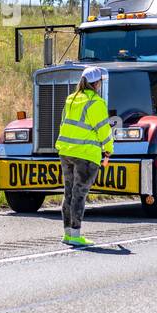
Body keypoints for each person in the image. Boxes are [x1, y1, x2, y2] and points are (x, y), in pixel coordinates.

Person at [54, 66, 114, 246]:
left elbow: (64, 123)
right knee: (79, 193)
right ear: (96, 83)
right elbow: (103, 129)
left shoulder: (70, 99)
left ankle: (67, 234)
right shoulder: (96, 102)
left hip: (66, 151)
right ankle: (76, 235)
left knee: (69, 192)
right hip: (86, 155)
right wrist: (108, 149)